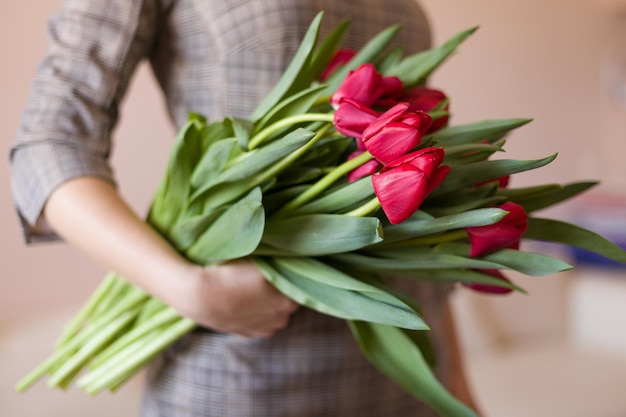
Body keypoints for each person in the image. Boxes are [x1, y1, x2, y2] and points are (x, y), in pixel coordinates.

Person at [9, 0, 479, 415]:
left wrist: (456, 386)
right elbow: (49, 147)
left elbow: (410, 183)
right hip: (246, 372)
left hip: (409, 373)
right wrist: (193, 290)